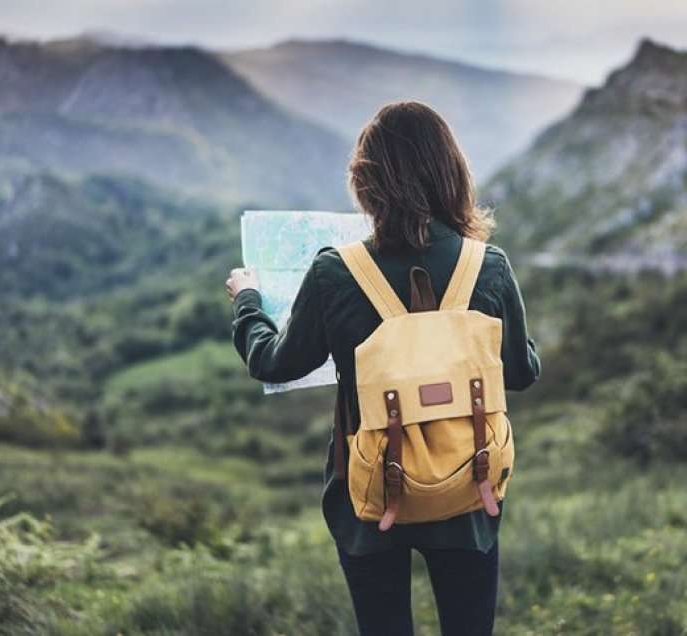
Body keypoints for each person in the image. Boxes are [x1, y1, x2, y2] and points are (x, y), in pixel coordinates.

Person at [225, 100, 541, 636]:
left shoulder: (334, 273)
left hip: (370, 497)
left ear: (368, 184)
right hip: (470, 485)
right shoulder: (488, 266)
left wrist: (247, 301)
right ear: (452, 174)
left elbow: (274, 361)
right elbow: (521, 372)